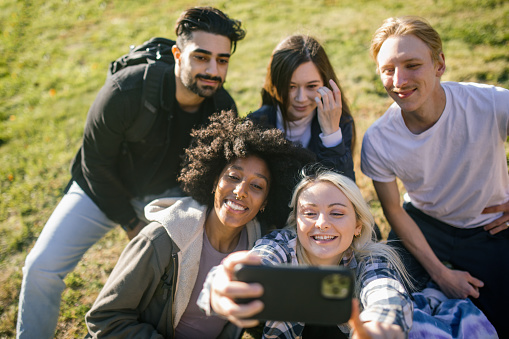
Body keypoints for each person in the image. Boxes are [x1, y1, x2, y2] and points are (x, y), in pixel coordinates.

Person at [16, 7, 246, 338]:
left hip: (167, 197)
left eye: (222, 60)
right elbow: (95, 163)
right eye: (201, 57)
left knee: (178, 273)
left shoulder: (222, 108)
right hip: (100, 189)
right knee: (40, 269)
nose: (212, 70)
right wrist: (131, 223)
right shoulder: (126, 91)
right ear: (178, 54)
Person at [85, 110, 314, 338]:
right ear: (215, 180)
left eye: (257, 186)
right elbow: (105, 318)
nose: (240, 191)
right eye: (233, 176)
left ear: (265, 201)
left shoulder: (260, 249)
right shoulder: (161, 239)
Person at [199, 170, 497, 339]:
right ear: (297, 222)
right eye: (309, 213)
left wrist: (382, 325)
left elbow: (386, 292)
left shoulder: (371, 259)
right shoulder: (282, 244)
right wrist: (221, 284)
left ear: (357, 226)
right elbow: (258, 261)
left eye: (337, 213)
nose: (321, 223)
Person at [360, 16, 509, 337]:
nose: (399, 80)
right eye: (388, 70)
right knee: (381, 301)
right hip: (422, 224)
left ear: (439, 64)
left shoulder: (491, 103)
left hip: (490, 226)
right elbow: (393, 210)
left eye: (412, 65)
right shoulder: (378, 139)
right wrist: (440, 274)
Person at [247, 35, 356, 181]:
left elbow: (344, 191)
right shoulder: (255, 125)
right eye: (291, 87)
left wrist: (331, 134)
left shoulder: (340, 123)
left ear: (325, 84)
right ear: (275, 84)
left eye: (311, 86)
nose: (301, 98)